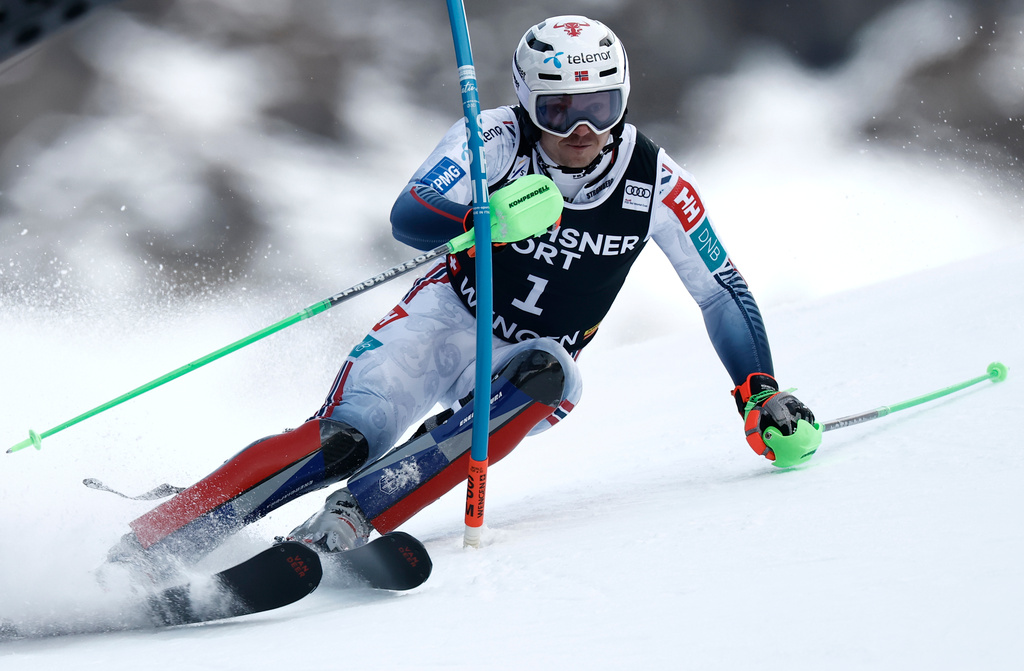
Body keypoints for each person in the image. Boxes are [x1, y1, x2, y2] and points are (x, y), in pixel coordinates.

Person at [108, 15, 817, 573]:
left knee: (551, 376)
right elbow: (410, 216)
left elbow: (721, 289)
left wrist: (760, 391)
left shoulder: (652, 179)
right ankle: (152, 543)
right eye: (560, 106)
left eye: (600, 106)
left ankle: (352, 519)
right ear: (526, 99)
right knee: (342, 439)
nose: (580, 129)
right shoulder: (494, 138)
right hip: (447, 317)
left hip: (529, 356)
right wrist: (487, 217)